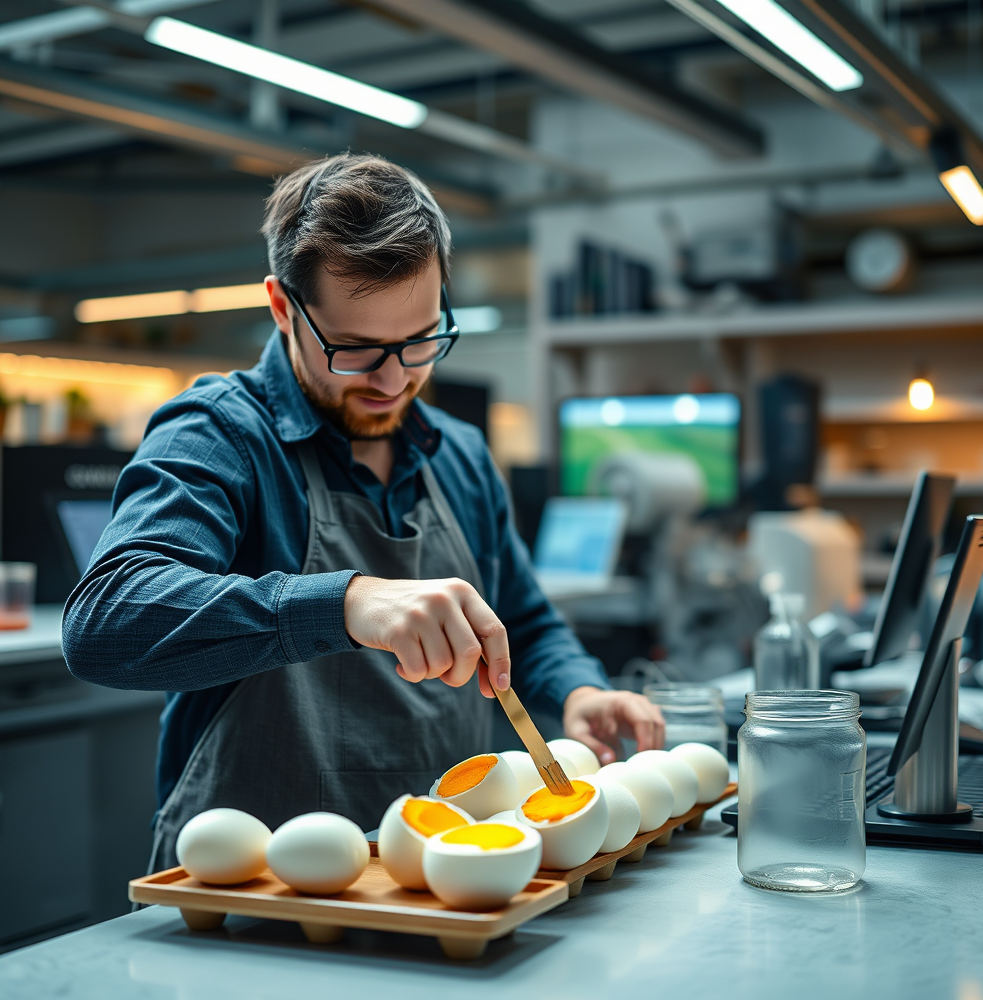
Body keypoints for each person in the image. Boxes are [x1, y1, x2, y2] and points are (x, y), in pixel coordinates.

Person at [62, 153, 664, 869]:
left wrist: (577, 689)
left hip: (447, 876)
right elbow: (105, 619)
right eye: (355, 350)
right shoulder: (219, 434)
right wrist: (347, 603)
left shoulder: (459, 454)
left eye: (421, 339)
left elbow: (521, 622)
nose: (394, 379)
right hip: (255, 889)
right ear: (284, 308)